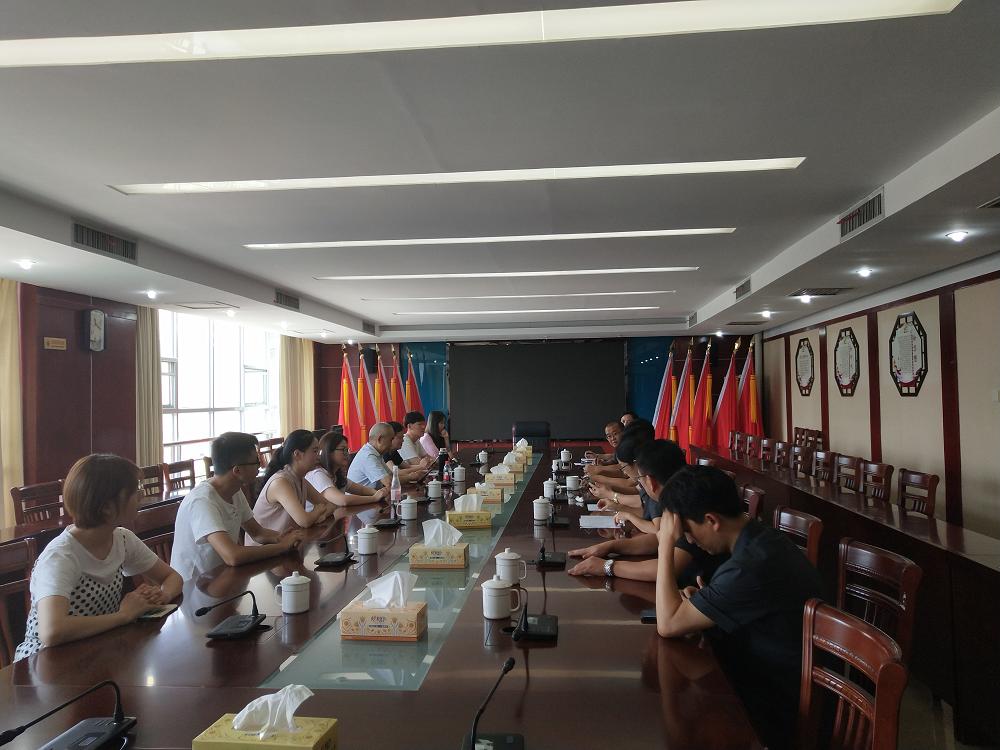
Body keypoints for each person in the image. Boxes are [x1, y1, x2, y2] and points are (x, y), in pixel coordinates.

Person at [654, 465, 825, 750]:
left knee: (682, 732)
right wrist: (708, 600)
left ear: (711, 520)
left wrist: (665, 546)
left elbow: (668, 624)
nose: (689, 540)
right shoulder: (759, 538)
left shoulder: (749, 566)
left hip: (774, 703)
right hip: (767, 675)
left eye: (687, 531)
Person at [15, 454, 183, 659]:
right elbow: (52, 631)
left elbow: (172, 578)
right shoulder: (61, 556)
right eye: (134, 491)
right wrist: (124, 615)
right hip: (45, 662)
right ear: (107, 507)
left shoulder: (122, 539)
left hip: (96, 649)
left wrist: (162, 596)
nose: (141, 496)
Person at [570, 439, 724, 588]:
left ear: (650, 482)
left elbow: (666, 568)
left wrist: (607, 566)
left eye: (639, 479)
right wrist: (610, 546)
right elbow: (658, 538)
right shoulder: (679, 494)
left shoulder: (685, 503)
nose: (640, 486)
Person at [171, 432, 305, 580]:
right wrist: (281, 547)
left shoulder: (235, 490)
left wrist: (282, 537)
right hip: (195, 586)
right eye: (256, 462)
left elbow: (257, 533)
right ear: (237, 471)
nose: (260, 466)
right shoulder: (202, 501)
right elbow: (232, 556)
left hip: (222, 577)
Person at [248, 429, 337, 543]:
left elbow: (331, 505)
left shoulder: (301, 479)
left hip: (287, 544)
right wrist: (318, 511)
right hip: (264, 548)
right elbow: (304, 521)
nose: (319, 456)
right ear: (297, 455)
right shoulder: (281, 482)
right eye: (315, 451)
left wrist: (320, 515)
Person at [306, 431, 389, 506]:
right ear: (329, 452)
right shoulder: (318, 474)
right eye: (343, 450)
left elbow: (361, 490)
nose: (347, 454)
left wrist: (380, 493)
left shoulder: (336, 474)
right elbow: (342, 500)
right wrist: (374, 498)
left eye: (347, 450)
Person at [347, 422, 395, 488]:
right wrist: (408, 477)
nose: (391, 444)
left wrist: (409, 476)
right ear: (380, 439)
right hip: (360, 495)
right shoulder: (368, 456)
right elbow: (389, 482)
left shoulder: (376, 453)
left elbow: (392, 476)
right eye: (391, 440)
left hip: (372, 493)